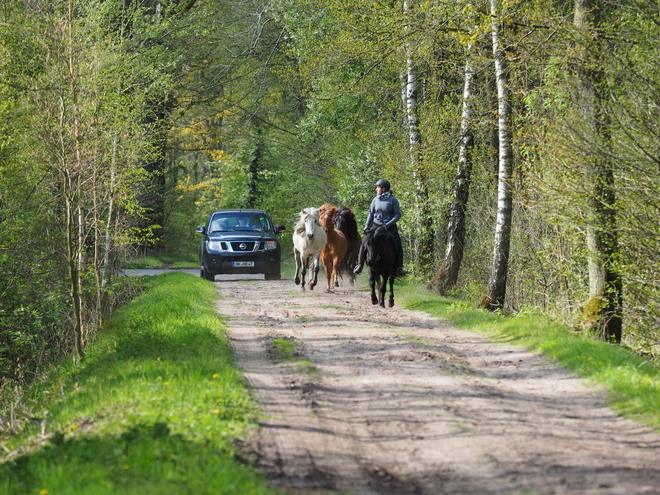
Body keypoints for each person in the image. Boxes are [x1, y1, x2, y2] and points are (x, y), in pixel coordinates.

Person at [354, 179, 407, 276]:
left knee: (398, 244)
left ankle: (399, 268)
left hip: (389, 227)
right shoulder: (375, 199)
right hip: (376, 225)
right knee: (365, 242)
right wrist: (367, 226)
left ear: (383, 189)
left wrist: (388, 224)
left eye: (377, 187)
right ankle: (359, 265)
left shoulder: (393, 200)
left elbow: (397, 215)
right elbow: (371, 213)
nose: (376, 189)